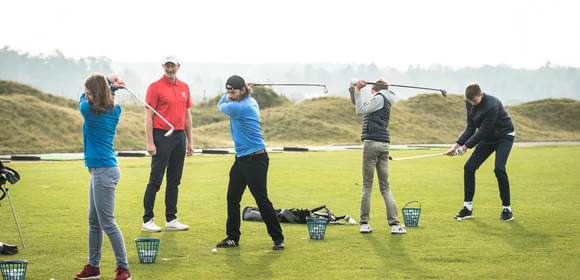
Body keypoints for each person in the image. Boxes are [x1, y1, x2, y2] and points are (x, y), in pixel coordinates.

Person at [215, 75, 285, 250]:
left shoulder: (241, 107)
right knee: (232, 198)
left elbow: (220, 105)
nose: (230, 95)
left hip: (255, 160)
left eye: (233, 91)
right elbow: (231, 98)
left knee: (261, 200)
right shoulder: (249, 100)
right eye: (228, 91)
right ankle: (232, 237)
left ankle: (278, 238)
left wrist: (229, 96)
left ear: (243, 90)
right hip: (242, 159)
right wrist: (240, 91)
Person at [75, 74, 131, 280]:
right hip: (102, 170)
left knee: (107, 222)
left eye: (90, 92)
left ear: (94, 94)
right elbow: (103, 97)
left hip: (103, 172)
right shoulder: (115, 109)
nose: (86, 95)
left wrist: (110, 84)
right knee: (94, 221)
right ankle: (93, 267)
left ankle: (123, 269)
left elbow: (82, 97)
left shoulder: (86, 110)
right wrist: (111, 87)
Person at [446, 83, 516, 221]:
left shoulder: (492, 105)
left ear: (481, 95)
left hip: (504, 136)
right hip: (488, 138)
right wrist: (455, 146)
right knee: (469, 167)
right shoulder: (469, 103)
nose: (473, 104)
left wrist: (465, 147)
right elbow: (471, 127)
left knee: (499, 169)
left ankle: (507, 209)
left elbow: (484, 130)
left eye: (475, 101)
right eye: (470, 101)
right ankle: (467, 208)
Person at [141, 56, 193, 232]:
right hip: (161, 136)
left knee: (174, 180)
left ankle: (171, 219)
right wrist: (150, 142)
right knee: (156, 179)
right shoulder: (155, 87)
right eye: (167, 66)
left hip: (179, 136)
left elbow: (187, 116)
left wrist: (190, 141)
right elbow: (149, 116)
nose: (170, 69)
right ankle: (147, 219)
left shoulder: (185, 87)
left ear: (178, 66)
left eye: (173, 66)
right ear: (163, 66)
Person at [349, 79, 406, 234]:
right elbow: (359, 104)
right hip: (384, 144)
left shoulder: (379, 98)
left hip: (372, 144)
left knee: (367, 186)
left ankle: (364, 223)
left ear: (374, 89)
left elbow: (360, 110)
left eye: (371, 91)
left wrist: (359, 90)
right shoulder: (383, 99)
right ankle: (394, 225)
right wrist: (353, 89)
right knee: (385, 187)